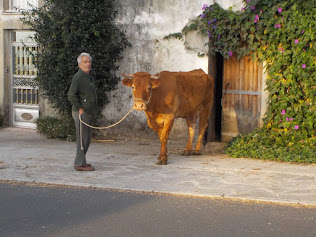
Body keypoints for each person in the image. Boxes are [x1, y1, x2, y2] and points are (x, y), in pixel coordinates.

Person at [68, 52, 98, 171]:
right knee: (82, 139)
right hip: (81, 113)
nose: (88, 64)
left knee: (87, 138)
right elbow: (71, 95)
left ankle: (80, 161)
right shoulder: (78, 77)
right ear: (80, 64)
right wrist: (80, 108)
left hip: (88, 112)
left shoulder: (89, 76)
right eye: (85, 62)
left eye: (89, 62)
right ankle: (80, 164)